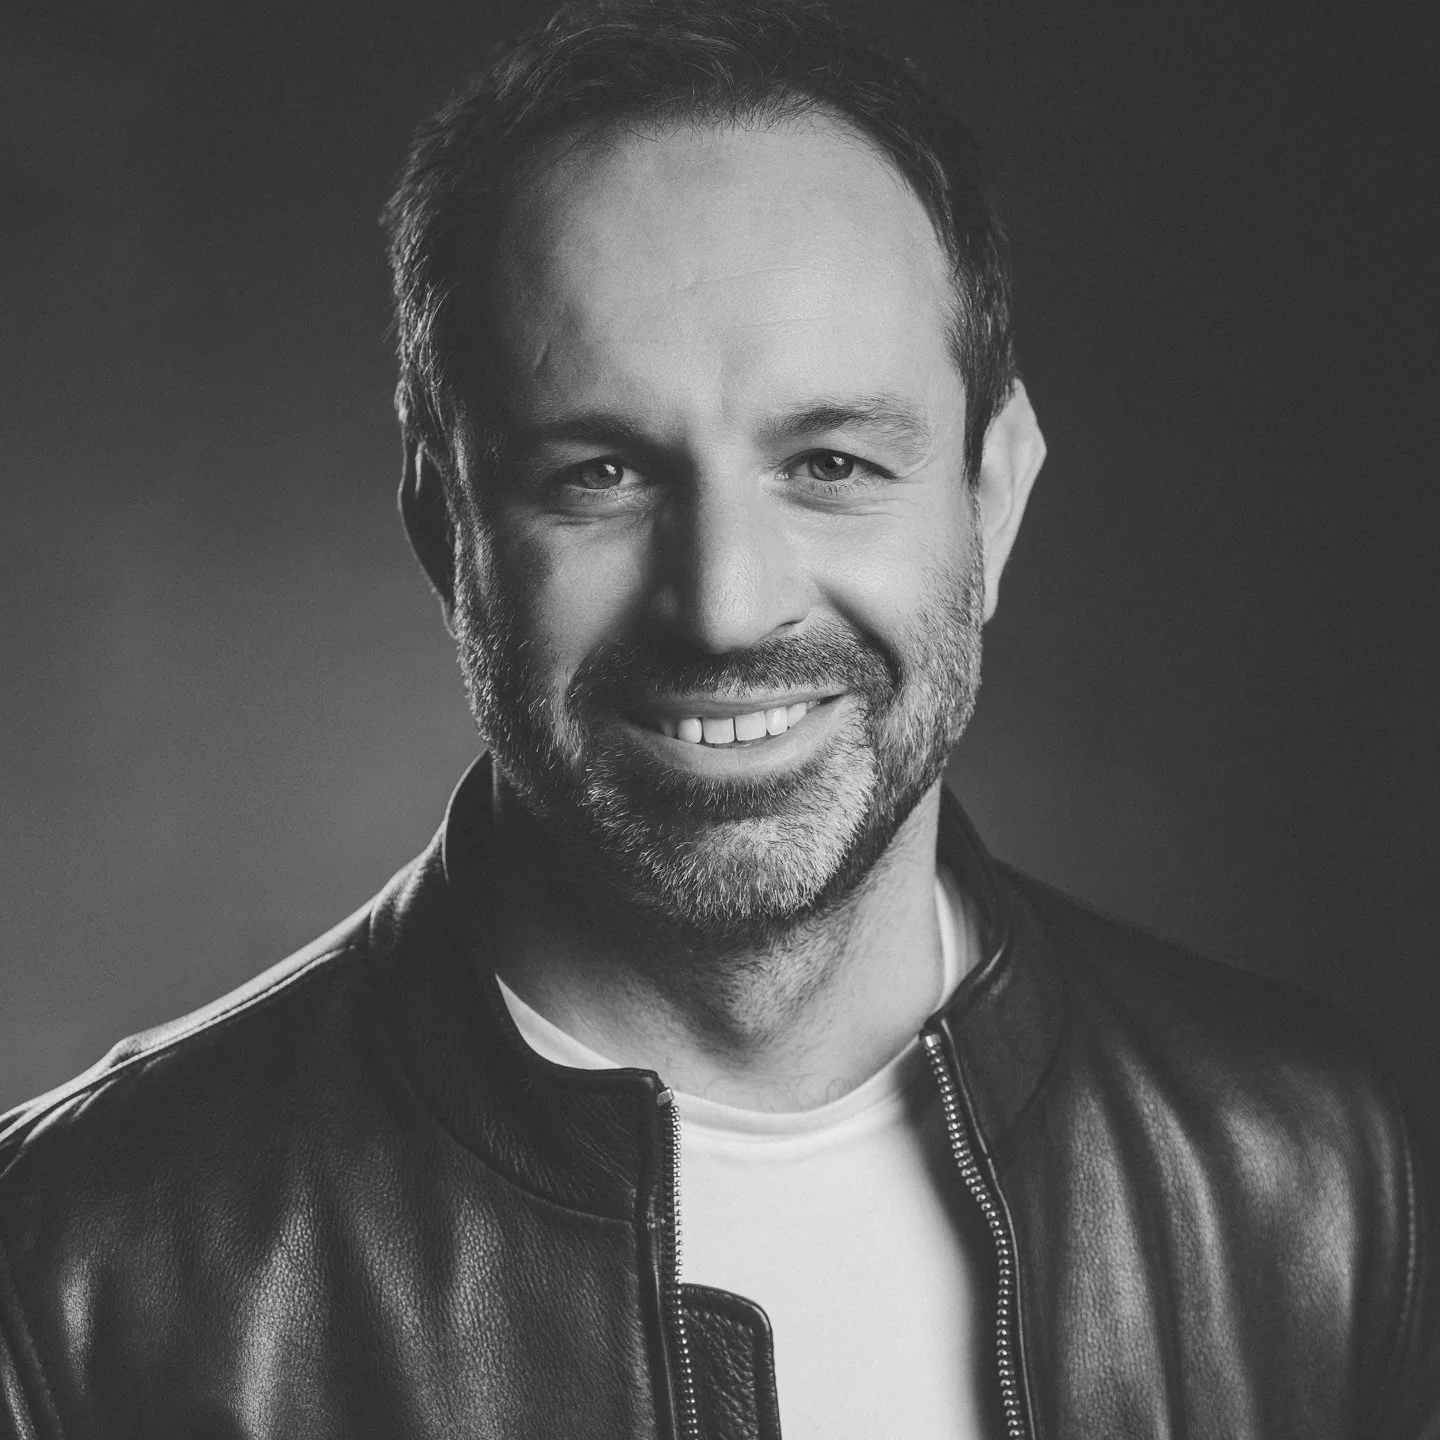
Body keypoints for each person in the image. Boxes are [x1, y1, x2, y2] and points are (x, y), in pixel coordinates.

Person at [0, 0, 1435, 1434]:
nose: (728, 607)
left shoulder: (1316, 1170)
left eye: (832, 462)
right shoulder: (67, 1277)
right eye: (601, 474)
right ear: (447, 530)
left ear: (993, 500)